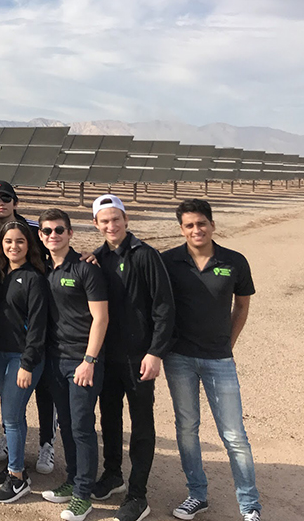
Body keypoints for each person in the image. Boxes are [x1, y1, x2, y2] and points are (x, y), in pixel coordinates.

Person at [161, 199, 262, 521]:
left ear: (212, 225)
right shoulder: (169, 261)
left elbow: (242, 306)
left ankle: (249, 506)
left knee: (234, 436)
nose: (196, 230)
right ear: (181, 229)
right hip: (178, 359)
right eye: (189, 225)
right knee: (187, 428)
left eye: (201, 223)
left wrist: (227, 344)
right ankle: (197, 494)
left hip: (219, 359)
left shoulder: (234, 262)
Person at [90, 194, 176, 521]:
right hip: (107, 357)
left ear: (126, 221)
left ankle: (137, 494)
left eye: (116, 219)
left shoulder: (145, 256)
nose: (111, 225)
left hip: (140, 358)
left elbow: (164, 307)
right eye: (104, 221)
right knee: (109, 418)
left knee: (141, 424)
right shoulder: (96, 258)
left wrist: (156, 352)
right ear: (97, 225)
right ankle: (113, 474)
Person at [38, 208, 109, 521]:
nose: (53, 235)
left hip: (82, 360)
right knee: (65, 423)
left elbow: (101, 317)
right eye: (47, 231)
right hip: (55, 359)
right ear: (40, 236)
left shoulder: (85, 269)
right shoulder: (44, 269)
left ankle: (83, 494)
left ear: (69, 234)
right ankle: (72, 479)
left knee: (82, 427)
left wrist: (89, 360)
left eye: (59, 230)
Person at [0, 180, 57, 474]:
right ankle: (13, 446)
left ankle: (44, 447)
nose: (0, 203)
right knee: (12, 408)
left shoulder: (33, 232)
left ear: (15, 201)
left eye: (6, 198)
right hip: (2, 347)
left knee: (39, 396)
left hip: (27, 350)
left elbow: (59, 247)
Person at [0, 220, 48, 502]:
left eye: (20, 241)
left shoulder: (34, 278)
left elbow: (38, 326)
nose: (14, 246)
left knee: (11, 416)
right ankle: (18, 466)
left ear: (29, 245)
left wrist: (27, 362)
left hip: (22, 358)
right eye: (8, 241)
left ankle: (17, 477)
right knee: (15, 414)